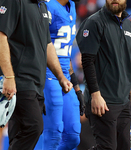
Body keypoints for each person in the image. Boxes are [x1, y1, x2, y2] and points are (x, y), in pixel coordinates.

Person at [0, 0, 73, 150]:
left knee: (20, 132)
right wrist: (9, 77)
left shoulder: (42, 6)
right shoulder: (13, 1)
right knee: (34, 126)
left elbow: (48, 45)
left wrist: (61, 76)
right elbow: (0, 37)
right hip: (19, 80)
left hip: (37, 82)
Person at [76, 0, 131, 149]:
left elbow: (125, 63)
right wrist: (95, 94)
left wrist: (127, 98)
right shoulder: (94, 22)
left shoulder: (128, 25)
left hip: (123, 101)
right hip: (103, 100)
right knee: (106, 148)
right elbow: (87, 61)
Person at [42, 0, 85, 149]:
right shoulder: (47, 6)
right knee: (53, 134)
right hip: (48, 75)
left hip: (65, 78)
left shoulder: (71, 6)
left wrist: (77, 87)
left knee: (73, 136)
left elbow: (64, 54)